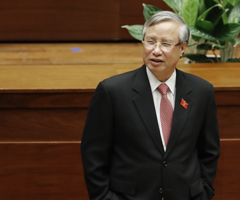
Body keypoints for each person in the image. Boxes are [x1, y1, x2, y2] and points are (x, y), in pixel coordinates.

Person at [81, 11, 220, 200]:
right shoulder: (112, 91)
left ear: (182, 48)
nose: (156, 50)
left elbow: (209, 151)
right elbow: (94, 155)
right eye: (150, 41)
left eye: (166, 44)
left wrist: (203, 191)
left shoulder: (201, 91)